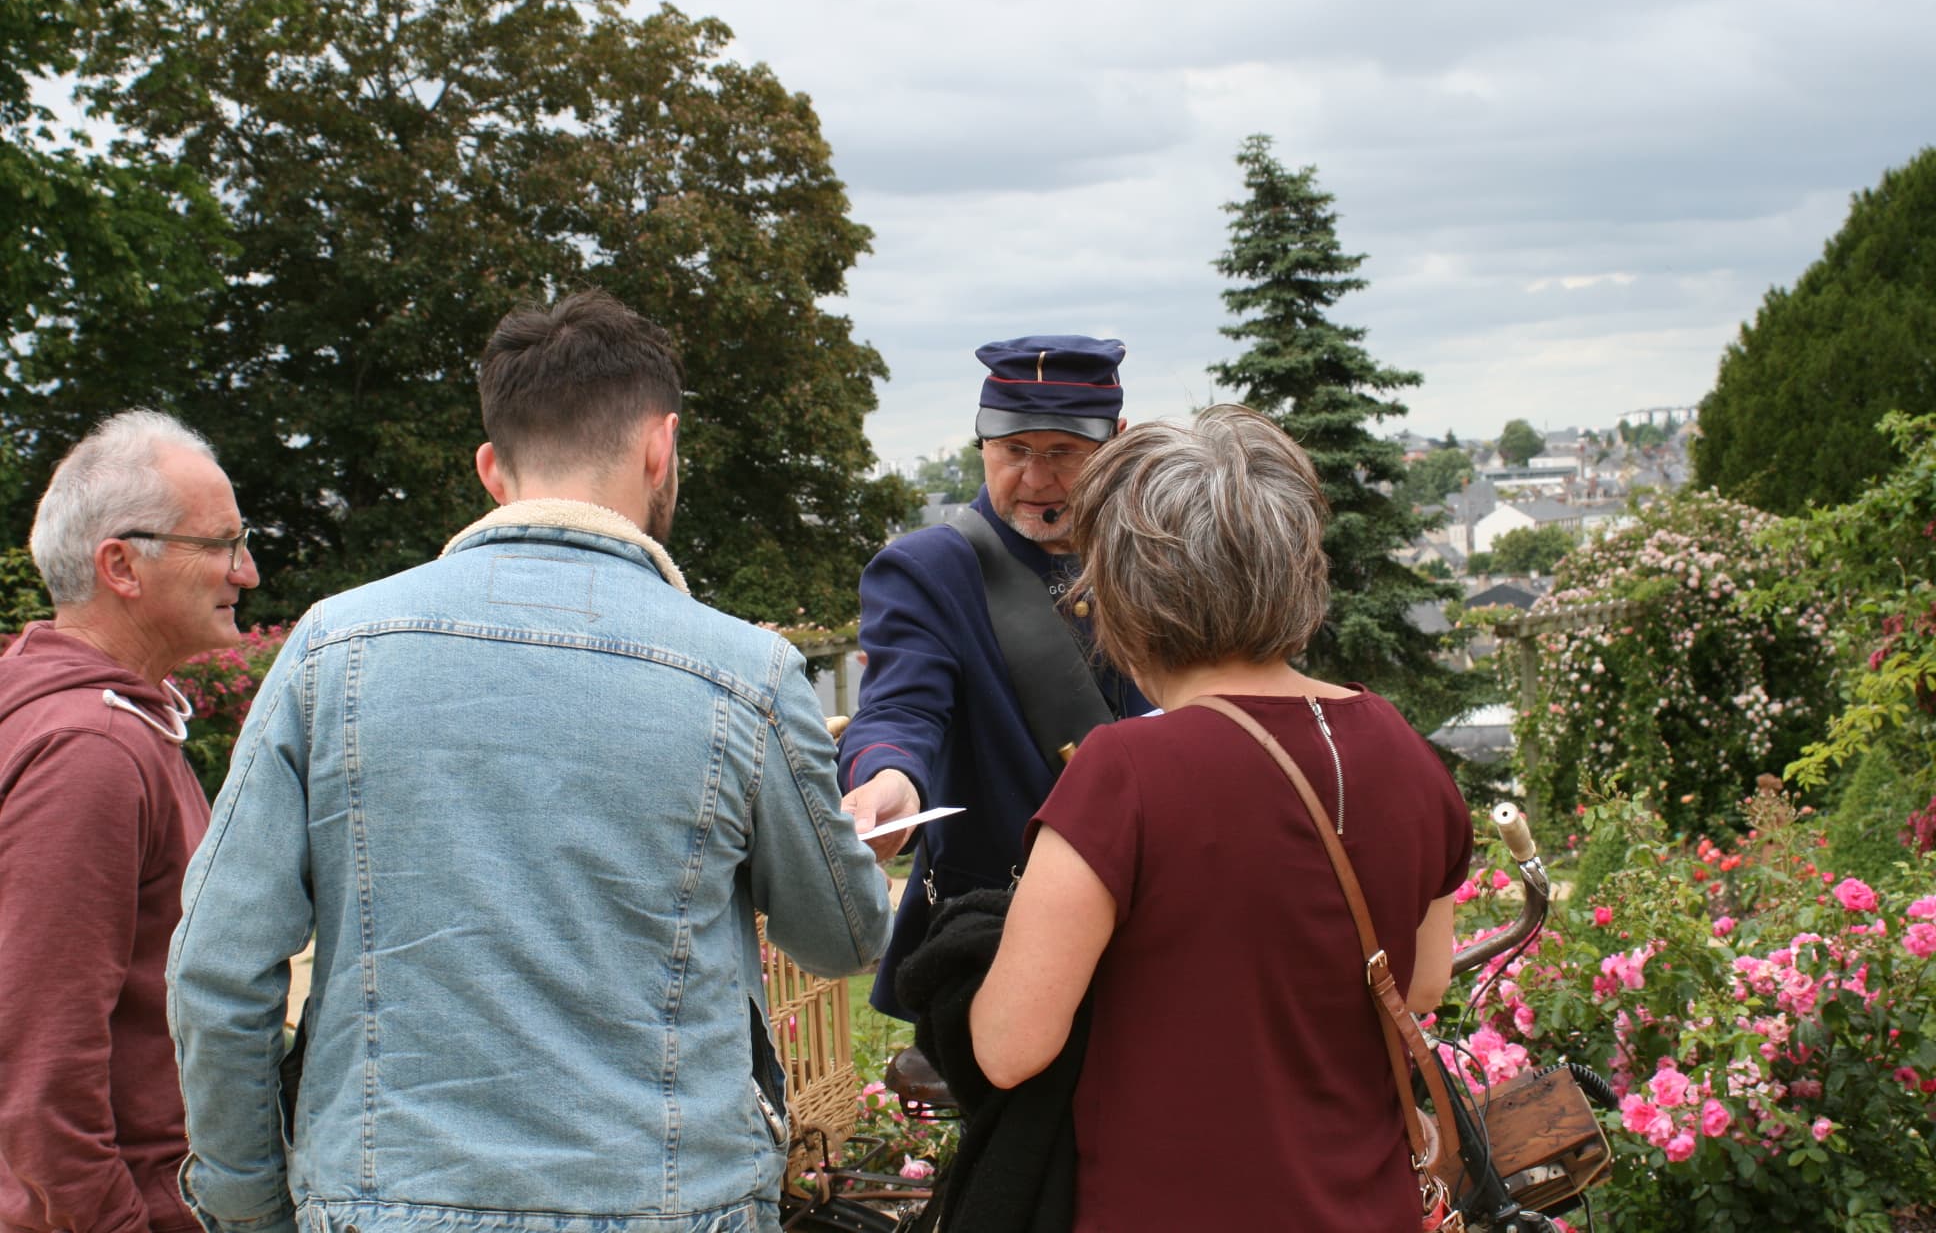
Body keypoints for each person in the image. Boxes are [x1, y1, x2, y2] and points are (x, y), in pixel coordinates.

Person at [167, 290, 892, 1233]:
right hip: (673, 1202)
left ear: (489, 468)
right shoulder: (745, 676)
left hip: (381, 1200)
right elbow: (842, 935)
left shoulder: (328, 651)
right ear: (659, 448)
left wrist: (249, 1205)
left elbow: (219, 972)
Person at [967, 406, 1473, 1231]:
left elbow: (1011, 1045)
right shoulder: (1399, 746)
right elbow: (1420, 985)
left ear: (1127, 588)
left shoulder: (1122, 773)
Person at [838, 336, 1154, 1019]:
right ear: (983, 442)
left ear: (1116, 444)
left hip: (1156, 932)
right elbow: (901, 710)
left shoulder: (1160, 559)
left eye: (1063, 452)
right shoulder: (928, 572)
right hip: (1001, 940)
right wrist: (889, 778)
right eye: (1014, 450)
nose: (1036, 480)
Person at [0, 410, 260, 1233]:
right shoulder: (92, 749)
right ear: (121, 565)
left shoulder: (104, 721)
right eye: (220, 543)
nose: (246, 572)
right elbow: (39, 1065)